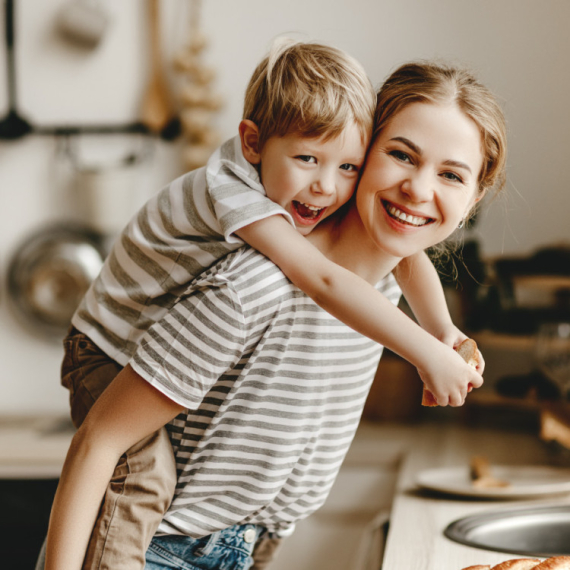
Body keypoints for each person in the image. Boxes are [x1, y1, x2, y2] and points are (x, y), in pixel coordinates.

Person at [43, 59, 507, 570]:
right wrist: (426, 352)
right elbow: (100, 442)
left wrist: (443, 334)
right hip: (157, 551)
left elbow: (402, 265)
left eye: (450, 174)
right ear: (367, 150)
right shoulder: (257, 283)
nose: (418, 189)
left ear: (474, 198)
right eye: (401, 155)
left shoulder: (381, 291)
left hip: (247, 548)